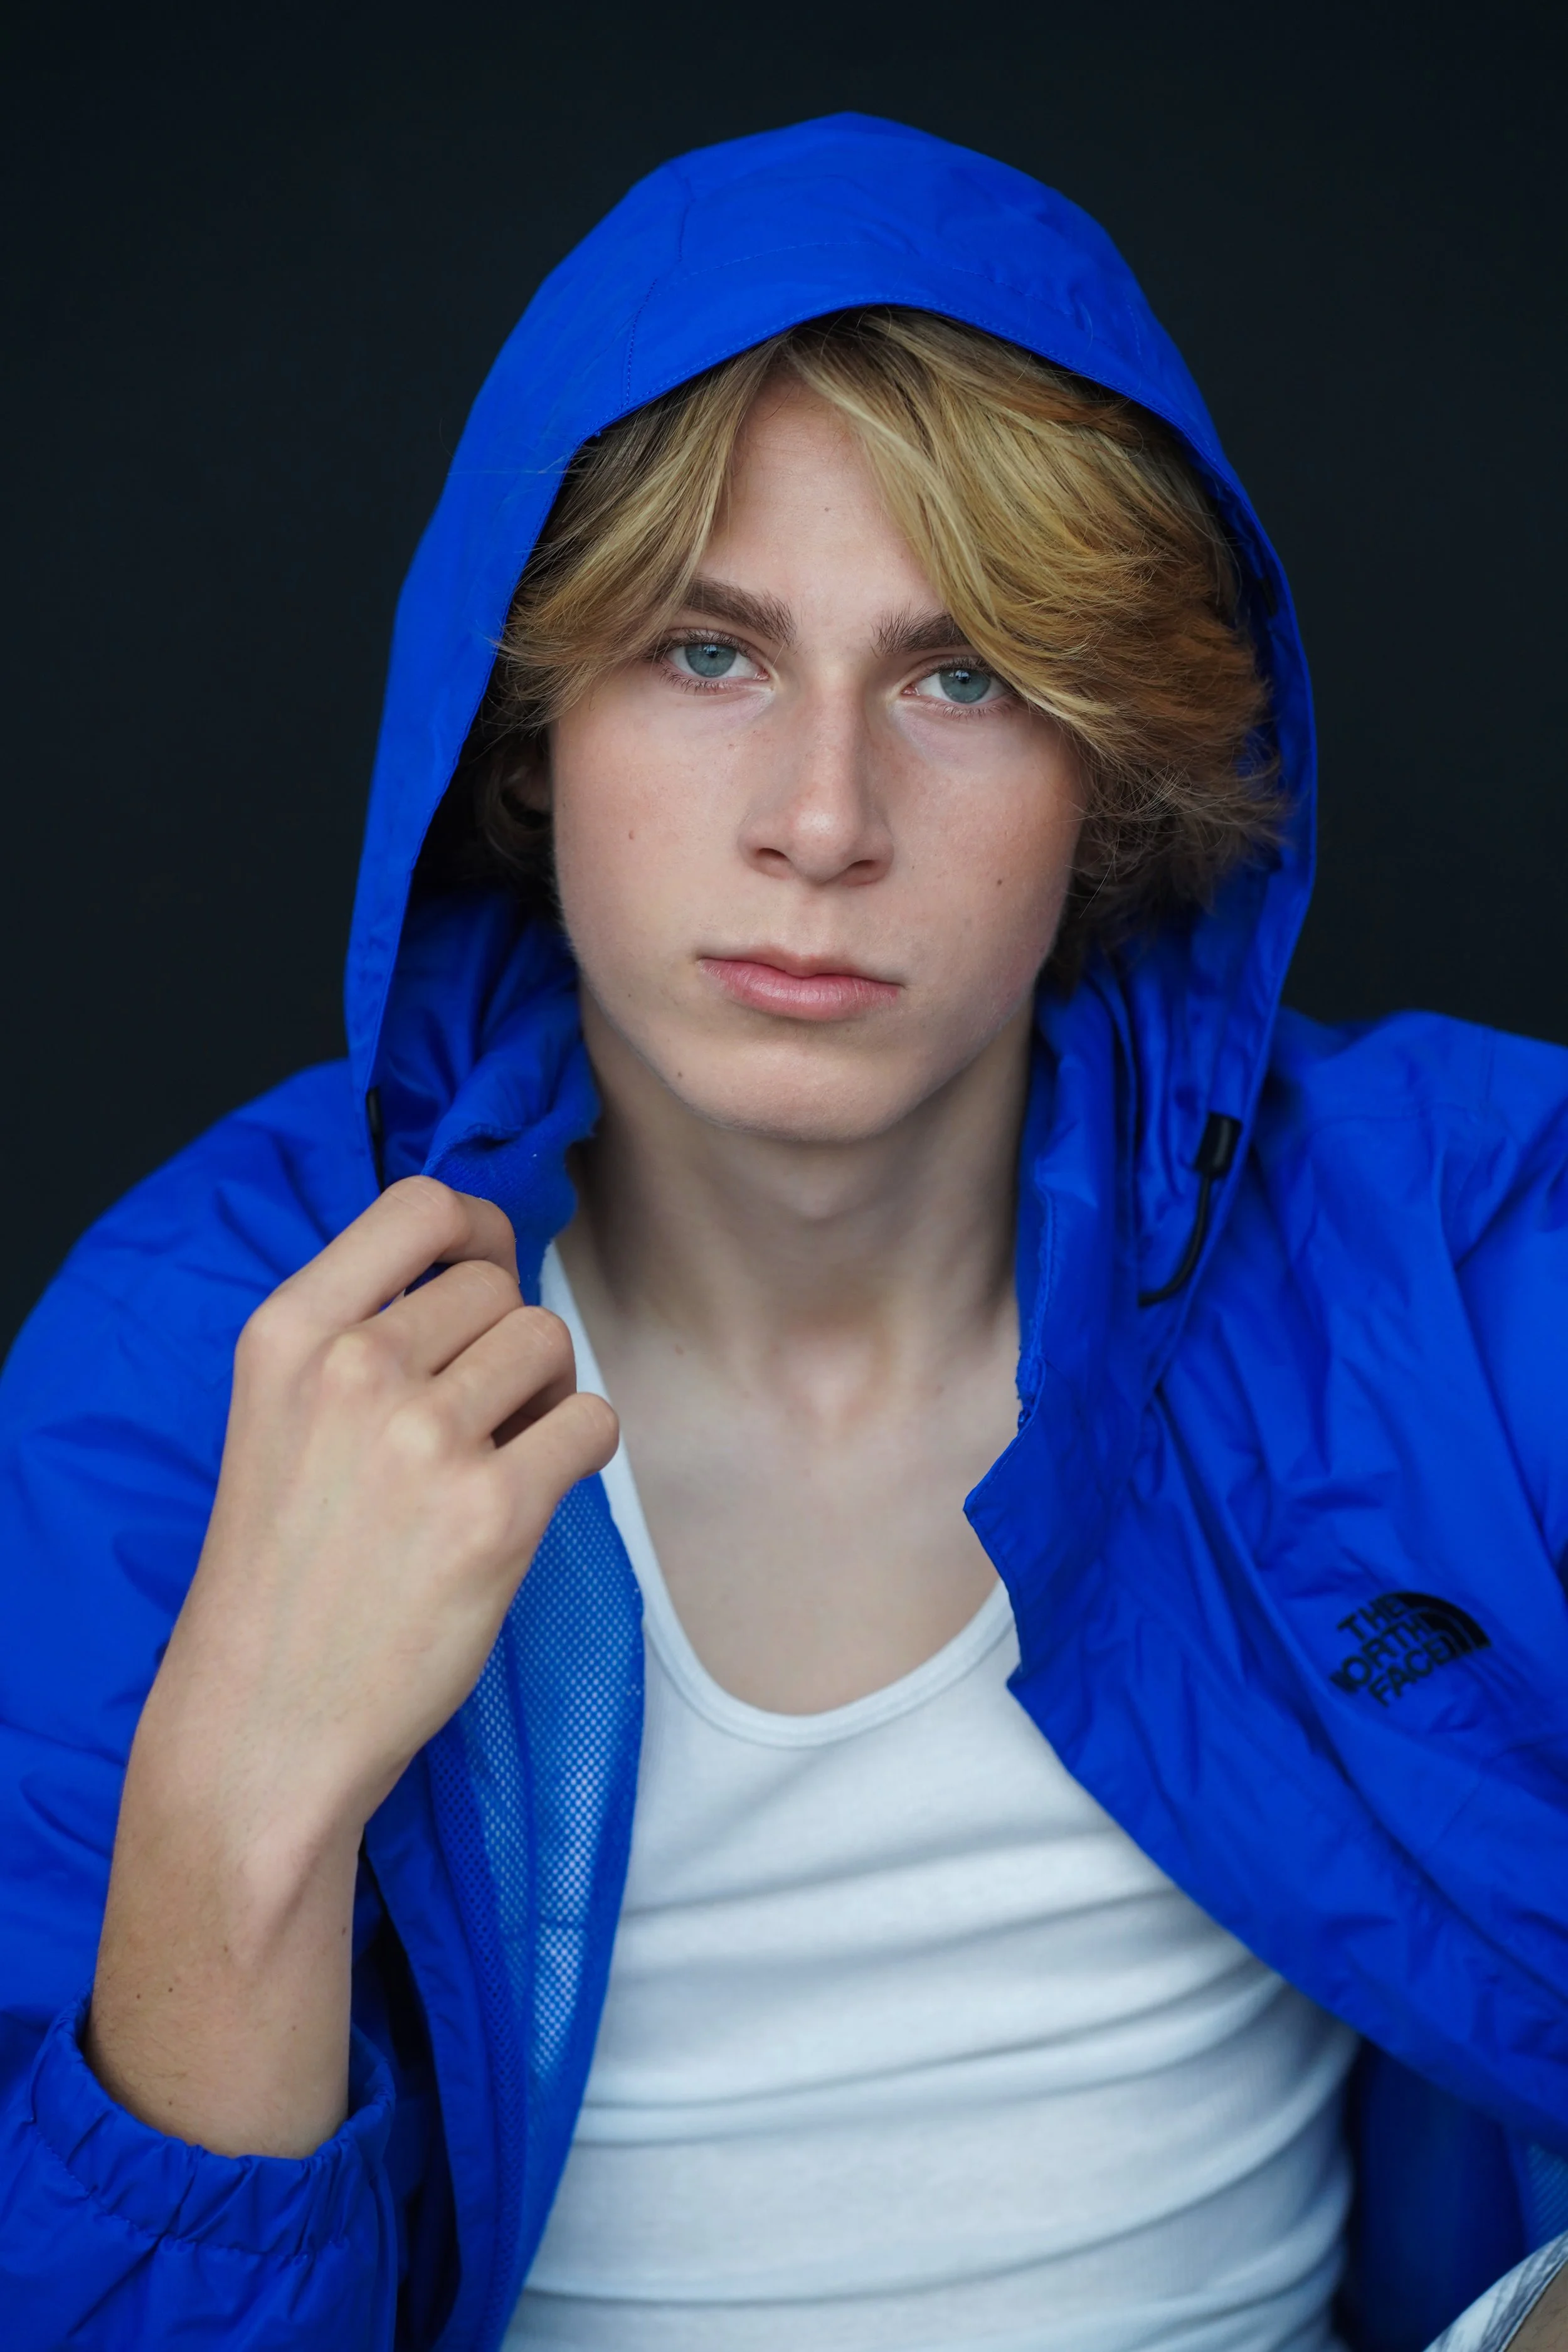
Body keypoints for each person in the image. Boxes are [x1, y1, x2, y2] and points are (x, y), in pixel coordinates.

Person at [0, 112, 1564, 2352]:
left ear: (1104, 775)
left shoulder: (1464, 1248)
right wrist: (241, 1800)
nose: (820, 822)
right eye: (704, 653)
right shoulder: (196, 1361)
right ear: (527, 732)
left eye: (962, 678)